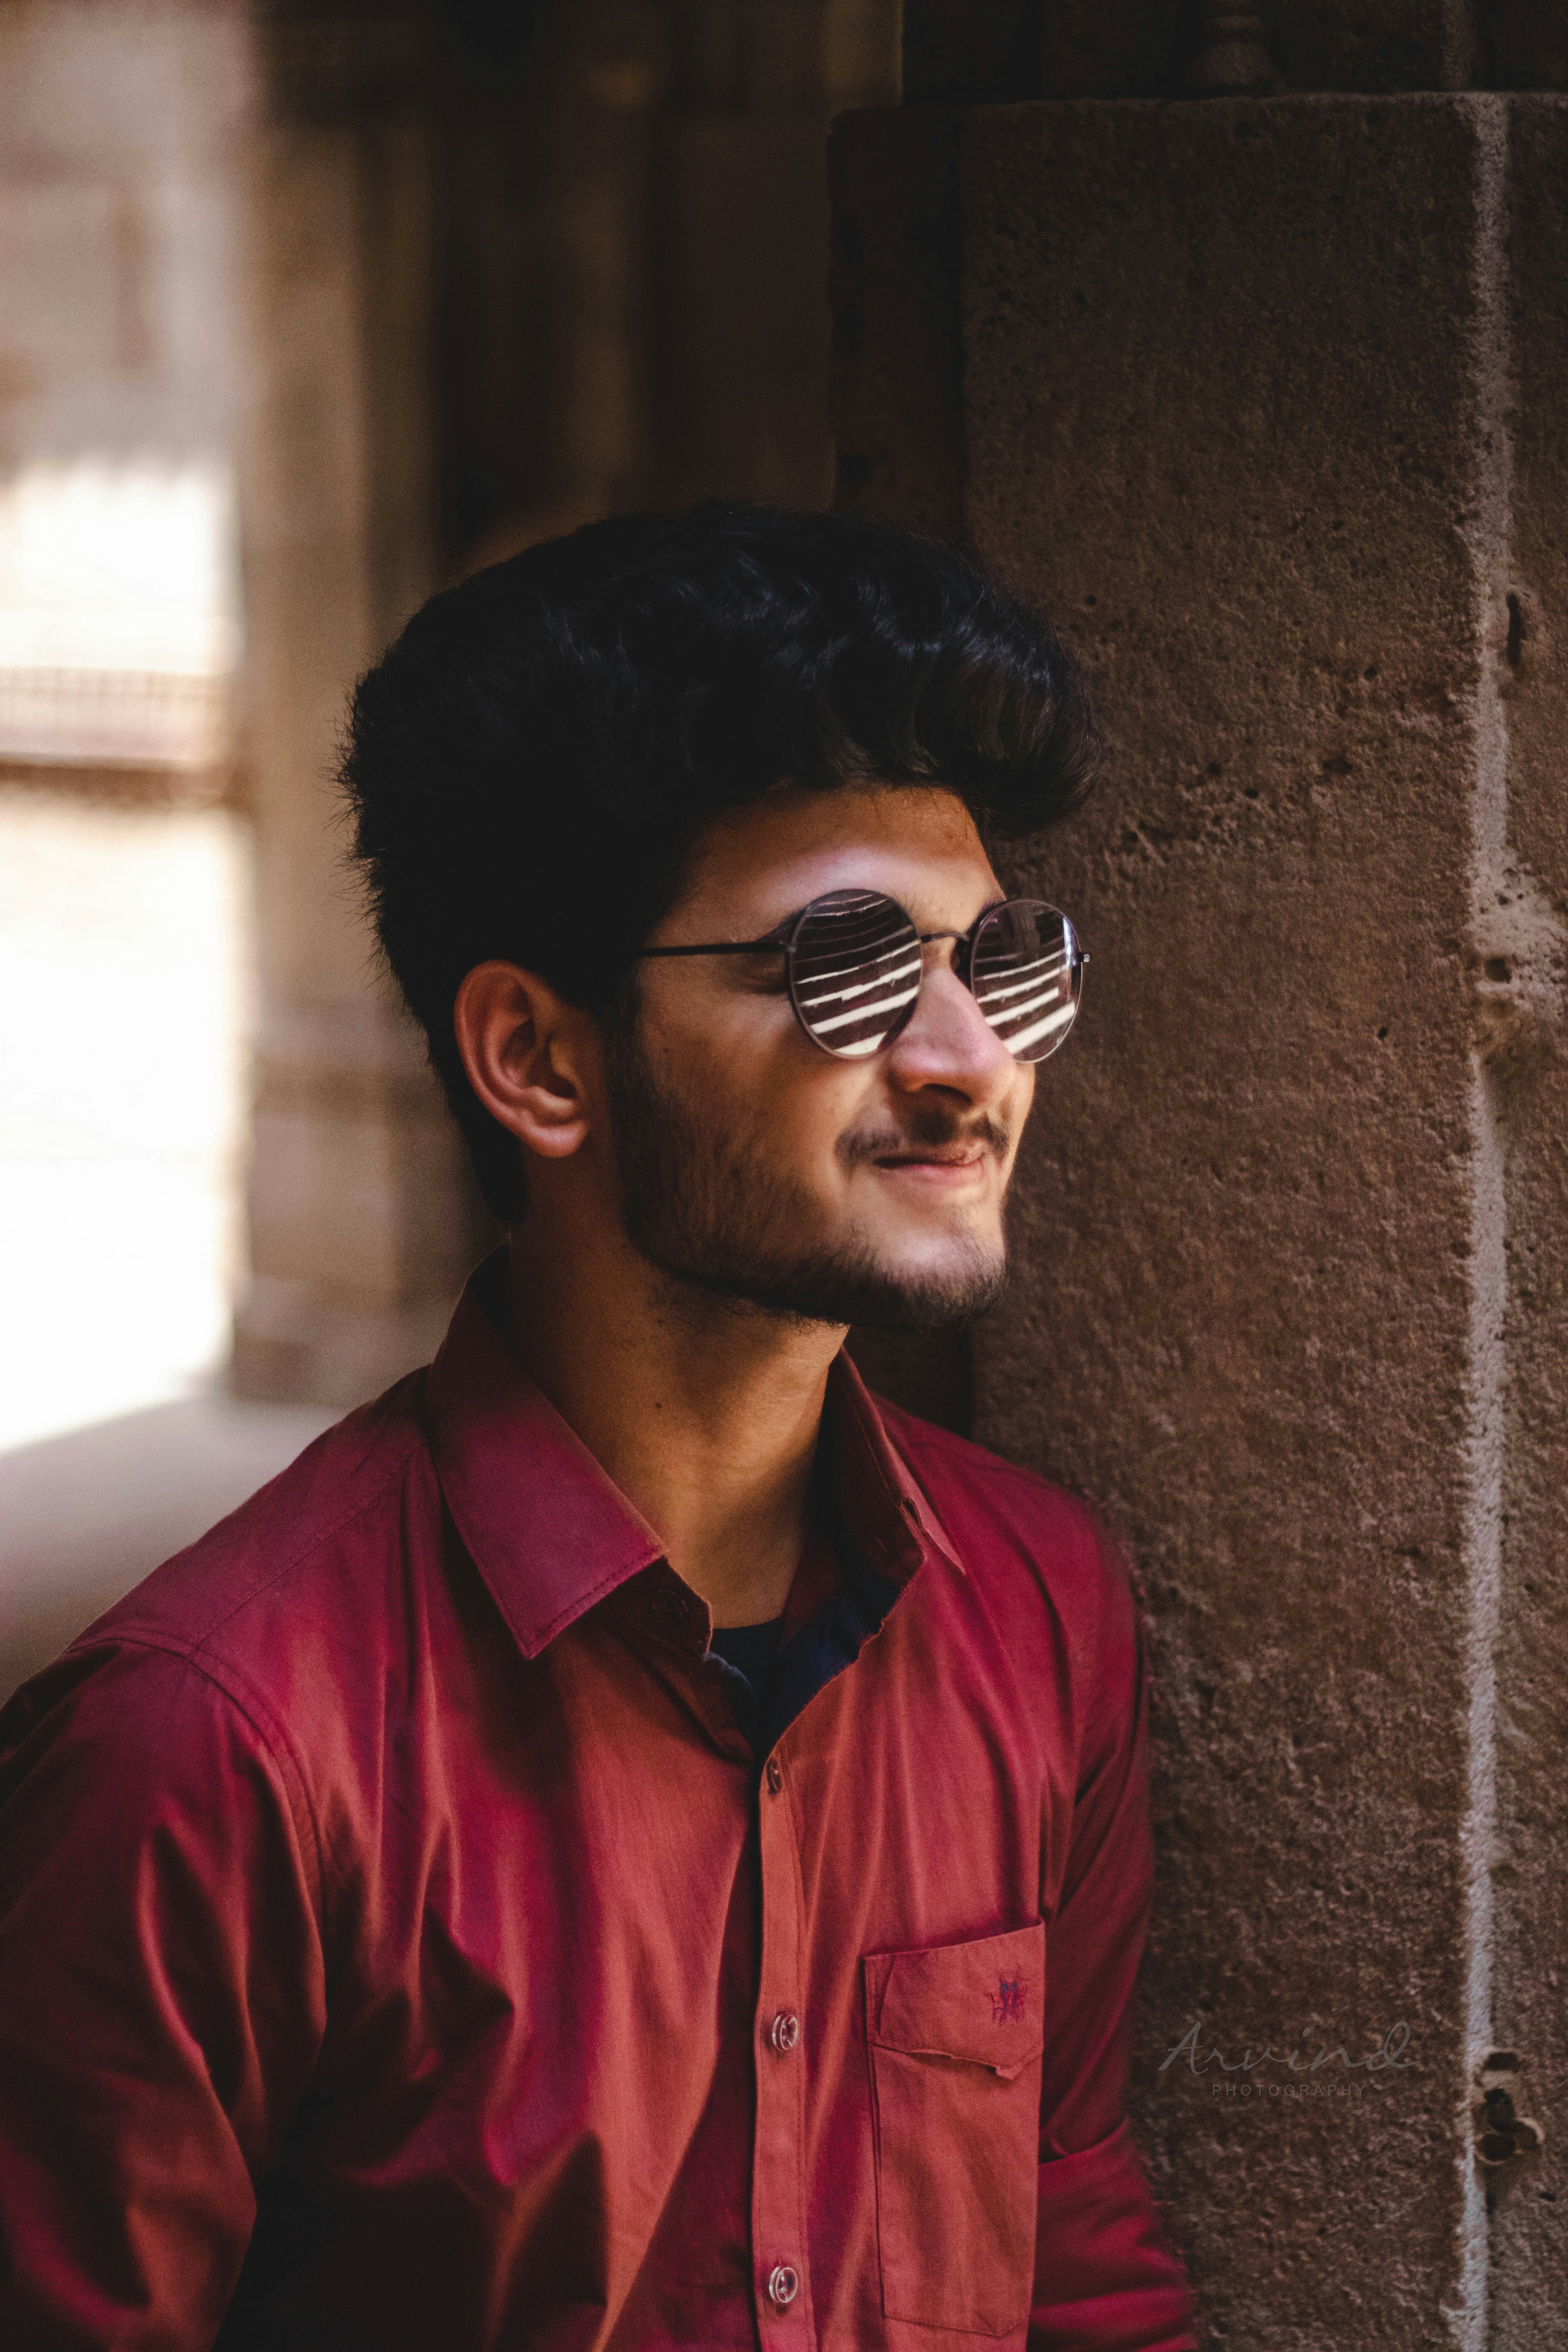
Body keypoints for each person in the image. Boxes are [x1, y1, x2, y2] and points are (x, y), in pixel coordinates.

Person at [0, 506, 1195, 2350]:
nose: (970, 1061)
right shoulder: (210, 1747)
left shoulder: (1039, 1611)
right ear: (538, 1060)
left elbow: (1073, 2259)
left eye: (1003, 962)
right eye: (849, 968)